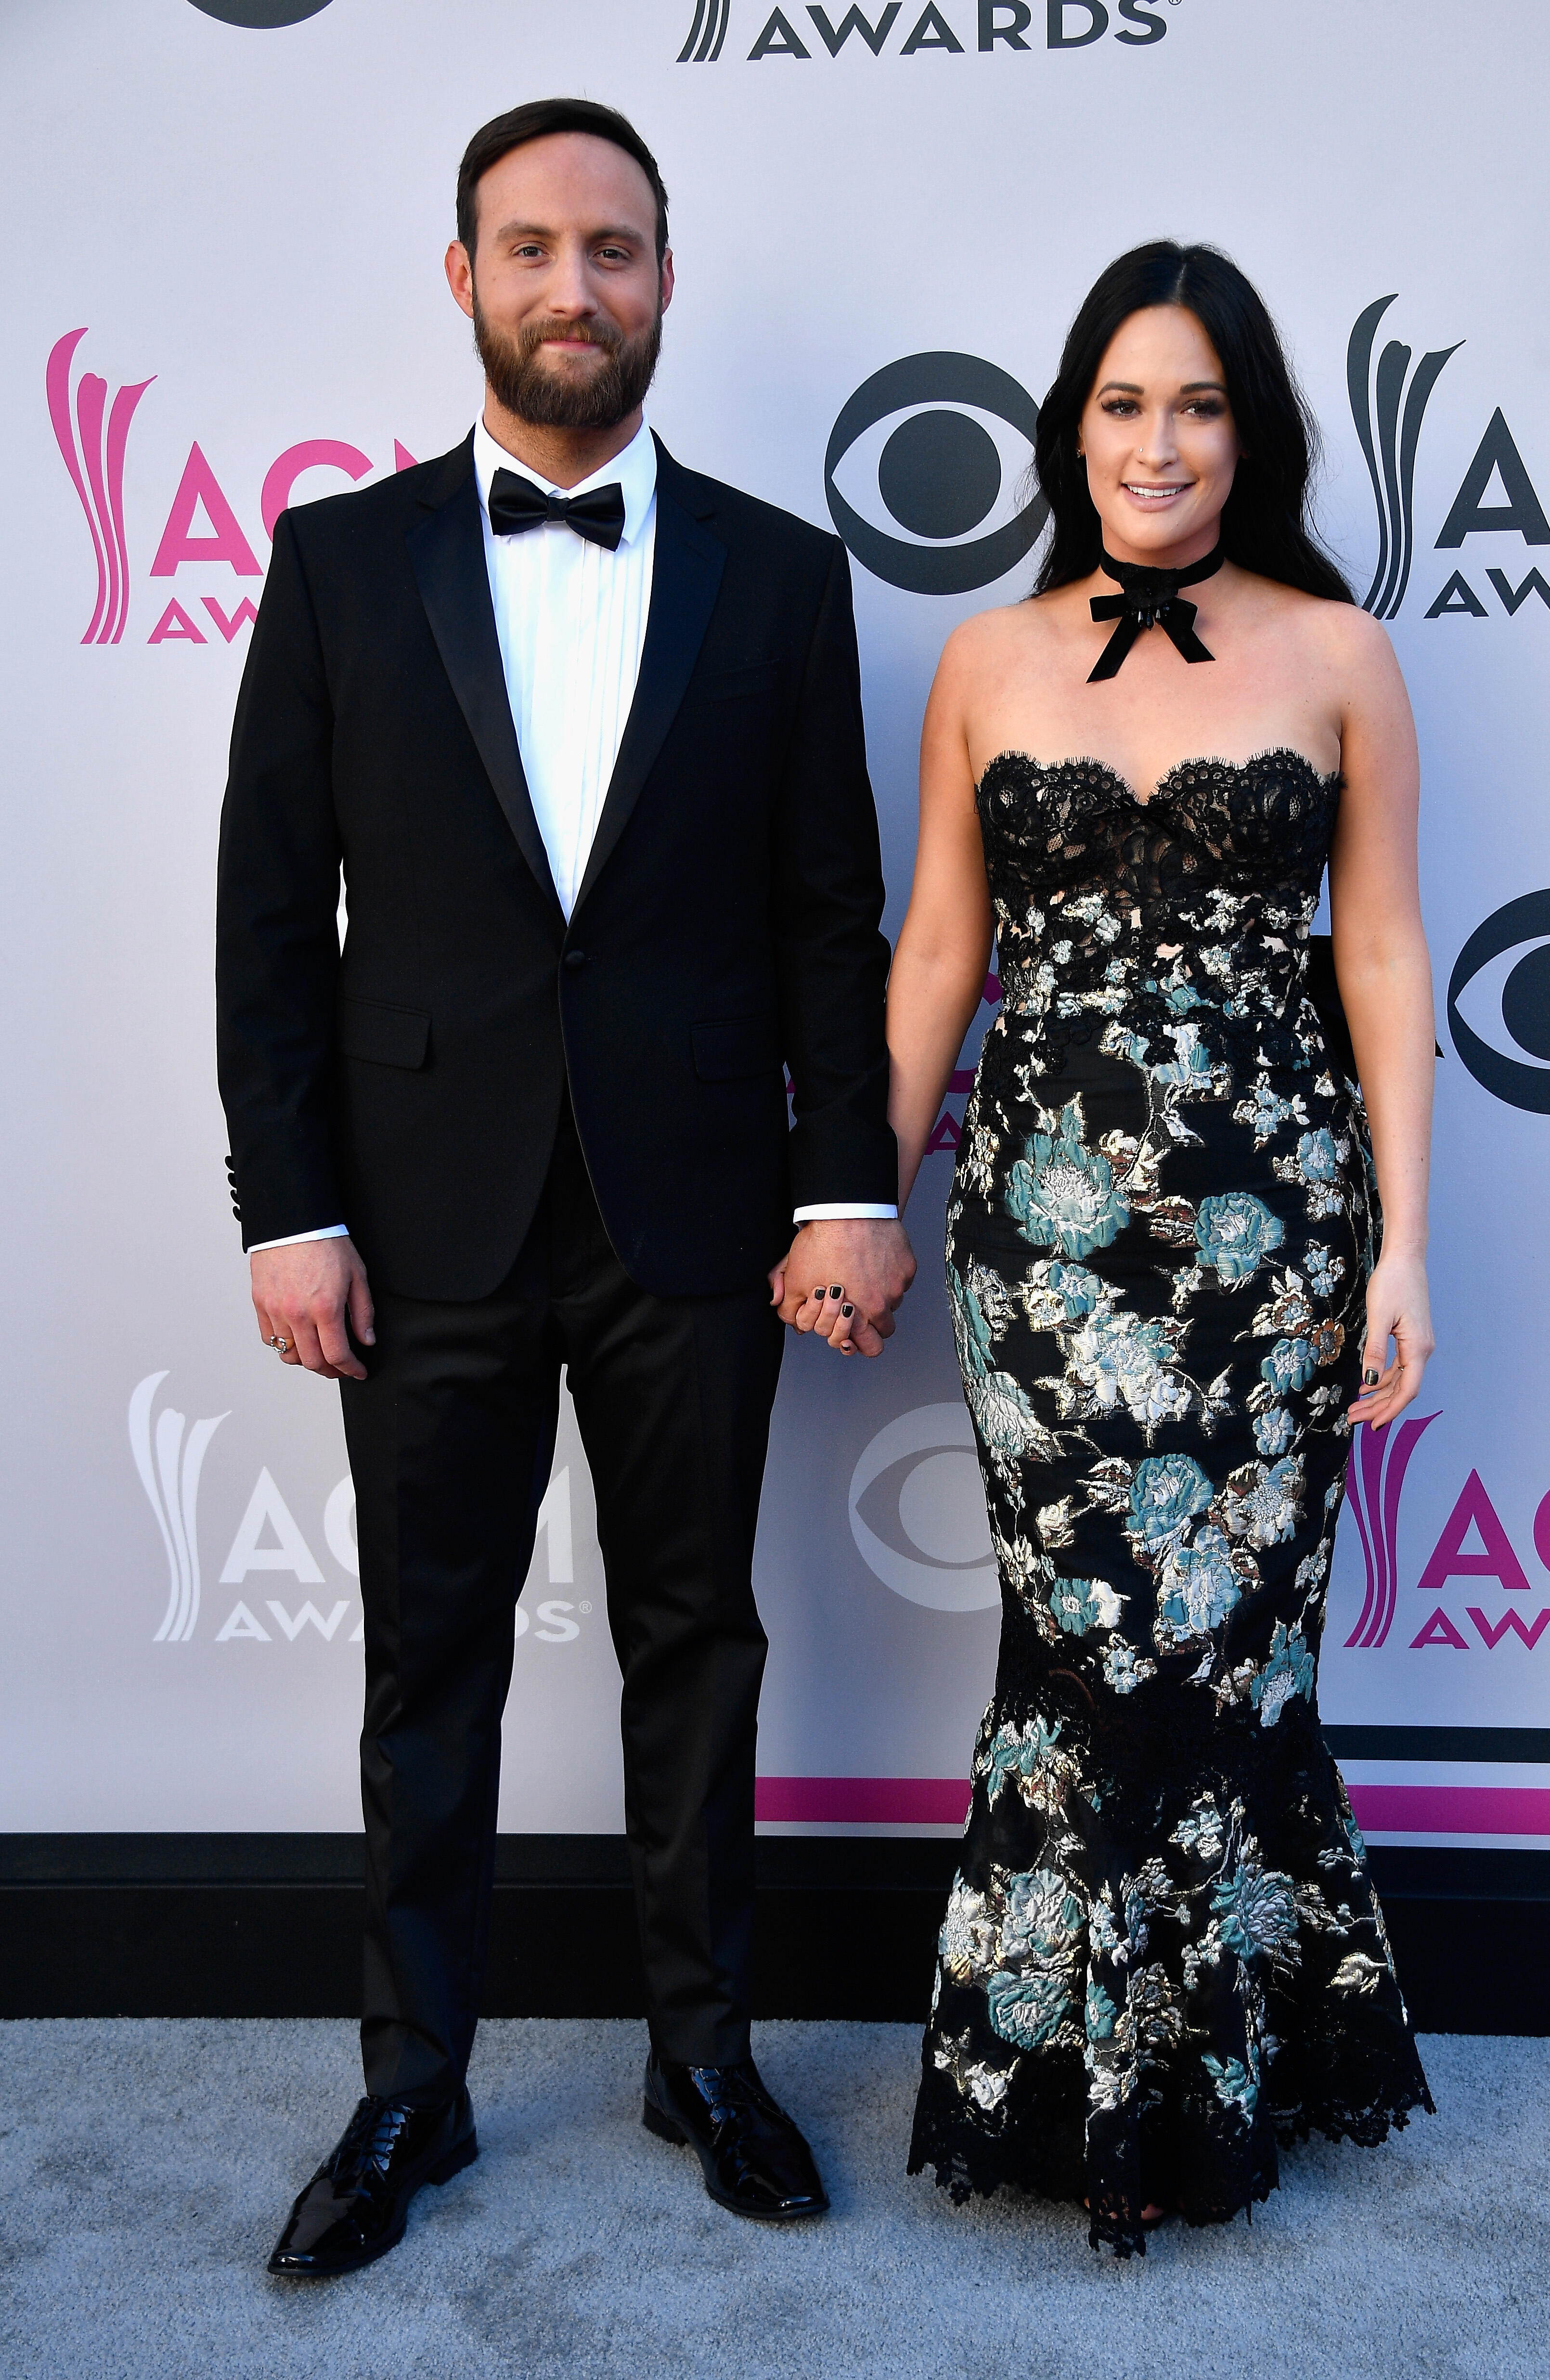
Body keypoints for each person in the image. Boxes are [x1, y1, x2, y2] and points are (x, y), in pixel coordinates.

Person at [216, 97, 915, 2277]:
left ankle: (701, 2054)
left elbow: (831, 920)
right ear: (462, 281)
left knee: (693, 1640)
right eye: (529, 249)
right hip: (417, 1217)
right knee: (427, 1666)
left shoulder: (786, 578)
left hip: (700, 1212)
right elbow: (268, 909)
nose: (572, 289)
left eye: (611, 250)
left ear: (664, 280)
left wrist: (844, 1190)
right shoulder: (340, 562)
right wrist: (284, 1203)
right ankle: (408, 2090)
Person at [882, 243, 1436, 2255]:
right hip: (1038, 1249)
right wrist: (857, 1196)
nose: (1159, 441)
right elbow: (941, 951)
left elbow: (1377, 952)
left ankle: (1221, 2085)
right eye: (1123, 402)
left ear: (1252, 431)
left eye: (1197, 403)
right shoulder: (983, 658)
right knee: (1071, 1649)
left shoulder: (1337, 651)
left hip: (1272, 1237)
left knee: (1232, 1642)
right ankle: (1059, 2081)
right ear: (1072, 427)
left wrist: (1404, 1252)